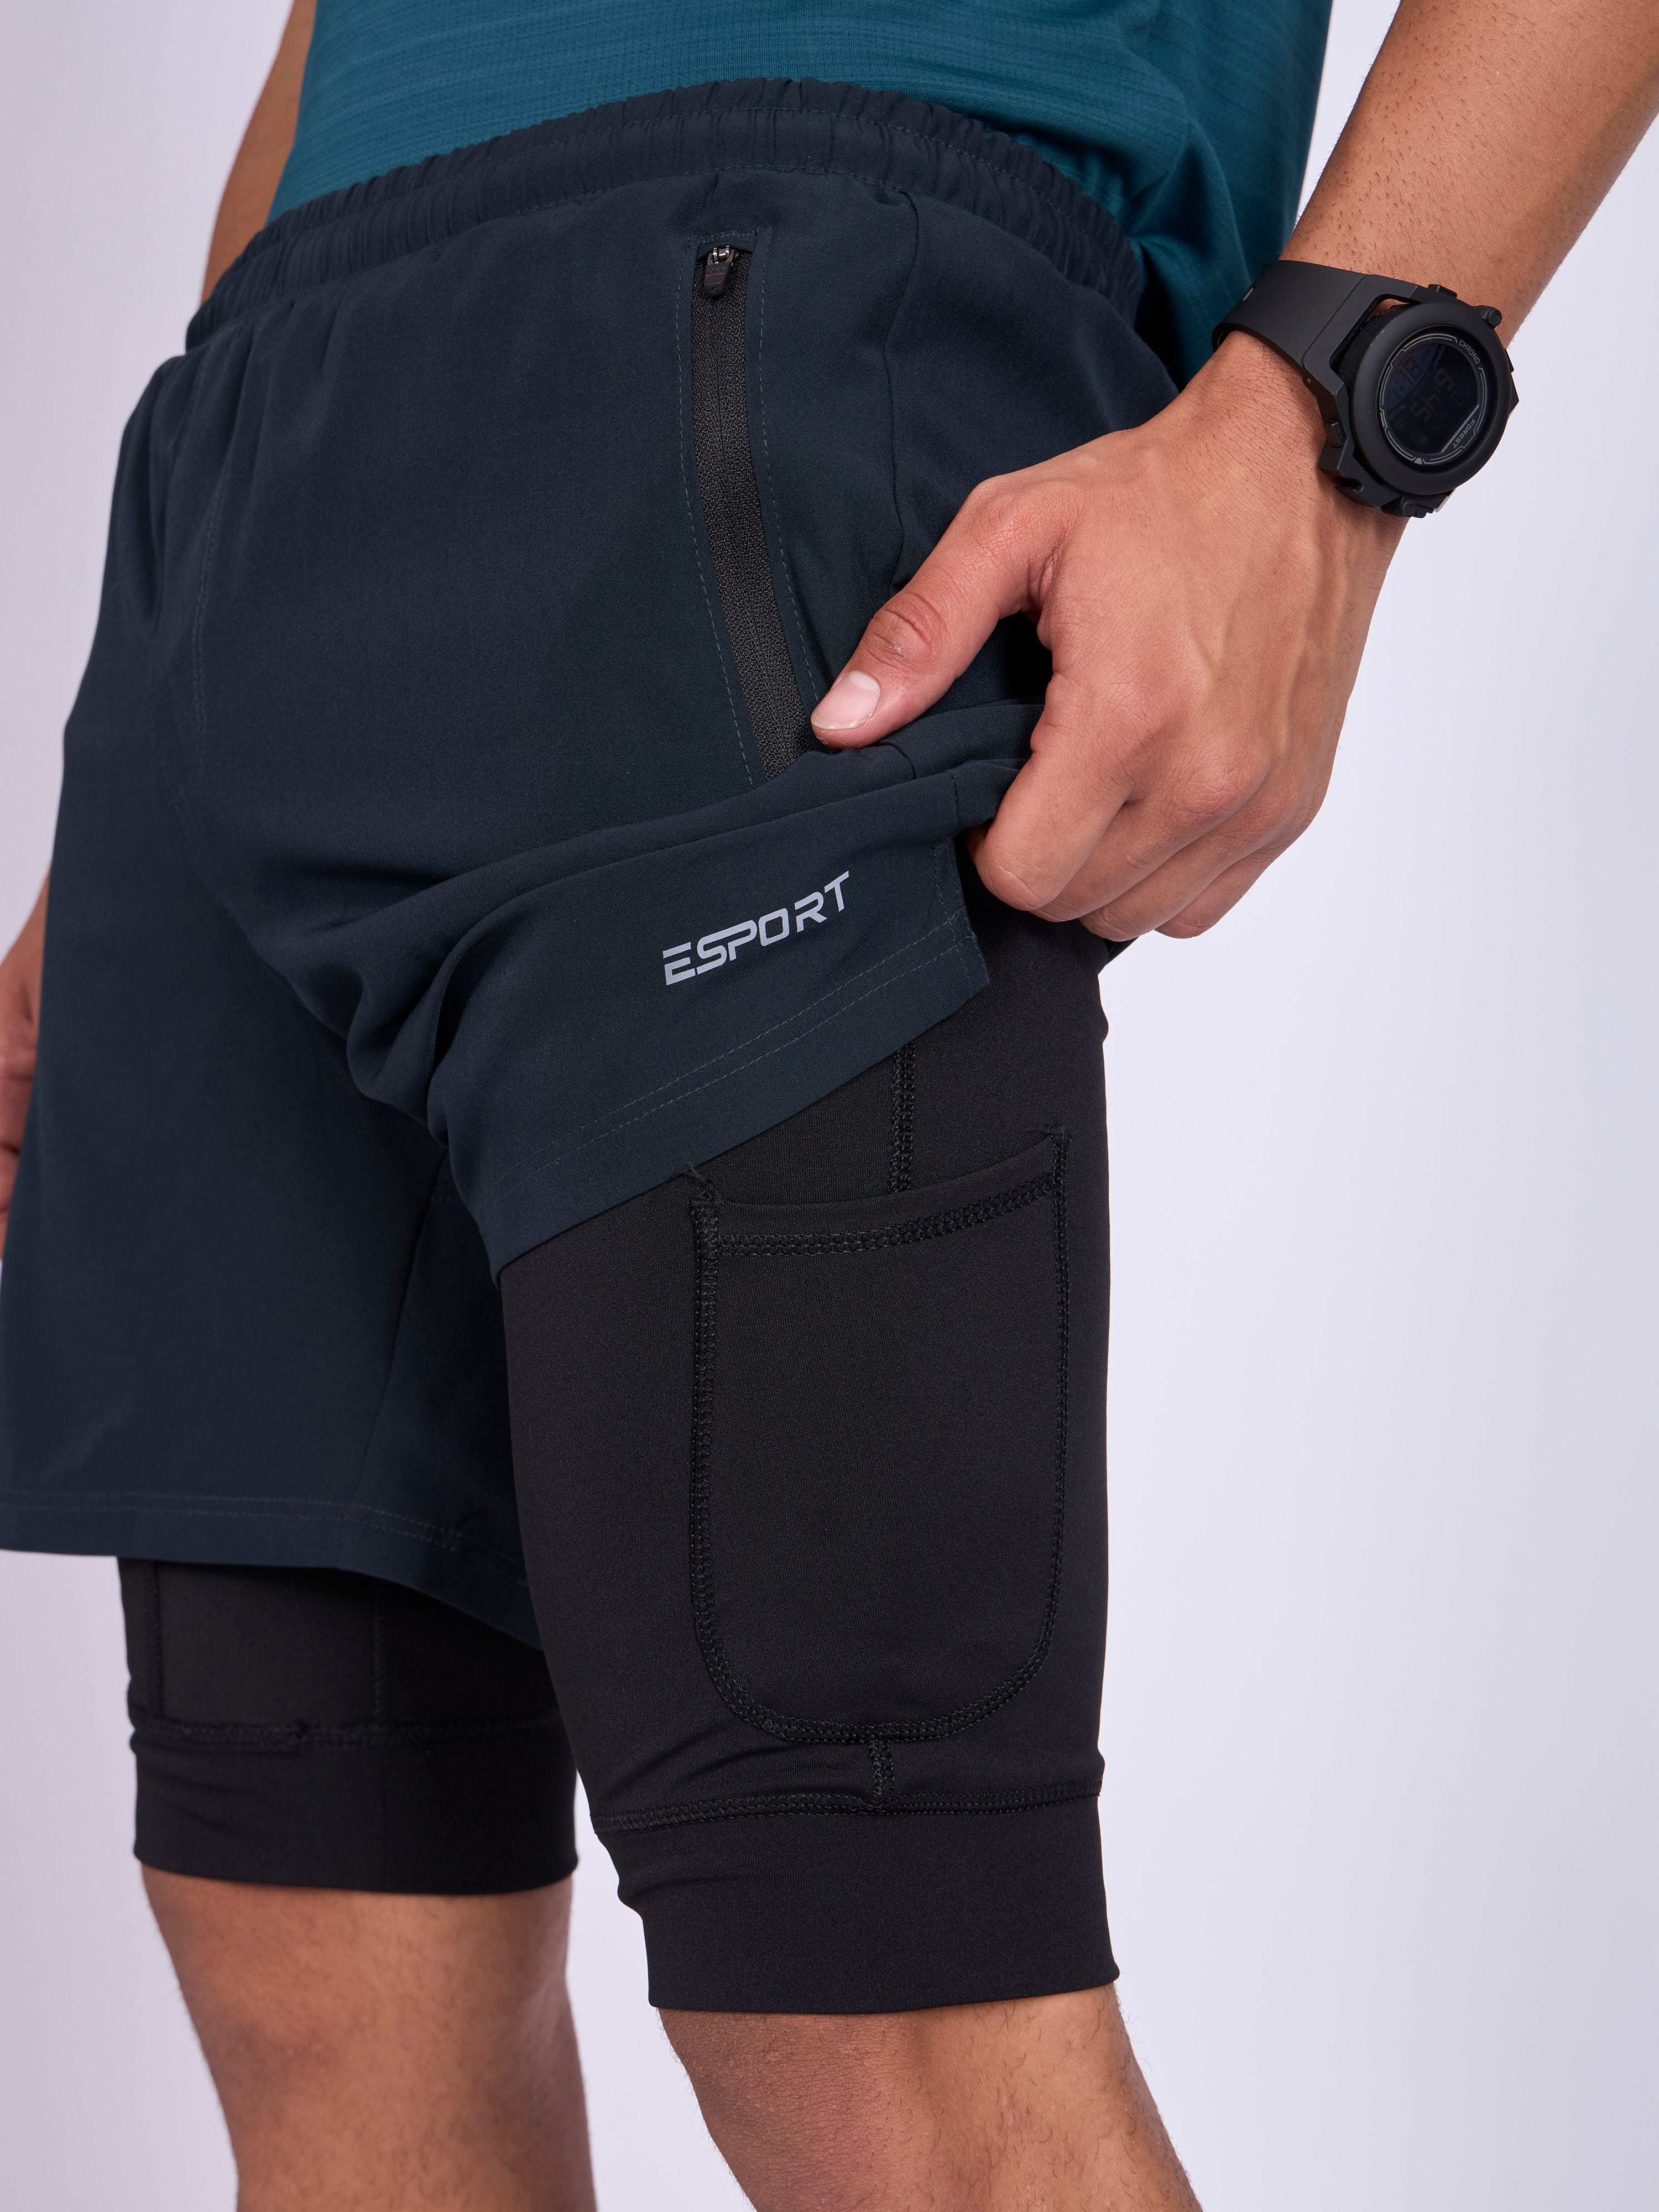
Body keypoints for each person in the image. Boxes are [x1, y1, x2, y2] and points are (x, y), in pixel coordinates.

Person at [1, 2, 1653, 2204]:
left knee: (874, 2015)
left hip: (763, 298)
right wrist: (161, 679)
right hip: (258, 457)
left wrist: (1330, 408)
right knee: (306, 1944)